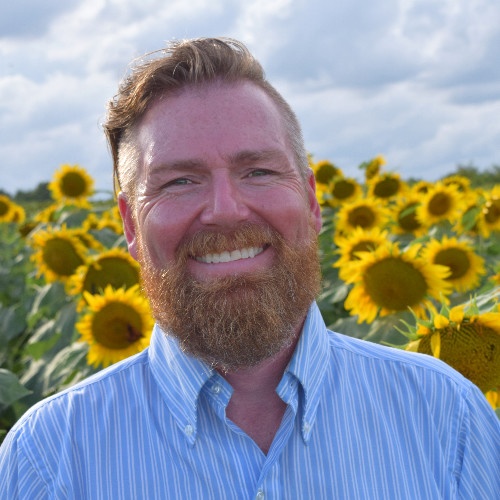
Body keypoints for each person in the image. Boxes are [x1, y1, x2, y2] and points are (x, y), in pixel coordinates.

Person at [0, 37, 498, 499]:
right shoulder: (50, 460)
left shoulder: (447, 416)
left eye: (258, 171)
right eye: (178, 181)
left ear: (311, 201)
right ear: (130, 224)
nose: (226, 209)